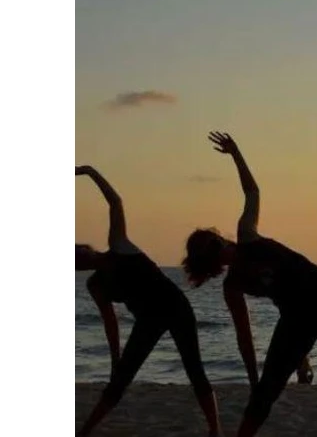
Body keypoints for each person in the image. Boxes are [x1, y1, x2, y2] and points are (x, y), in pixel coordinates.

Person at [182, 132, 317, 437]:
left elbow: (252, 192)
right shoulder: (233, 285)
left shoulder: (247, 235)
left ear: (221, 237)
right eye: (211, 250)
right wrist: (253, 381)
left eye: (215, 240)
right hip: (298, 318)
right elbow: (245, 338)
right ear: (212, 263)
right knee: (263, 396)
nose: (219, 245)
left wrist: (236, 153)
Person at [76, 166, 222, 437]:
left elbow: (115, 201)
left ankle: (216, 431)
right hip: (149, 320)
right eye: (76, 258)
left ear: (87, 246)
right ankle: (85, 432)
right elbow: (110, 323)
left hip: (175, 307)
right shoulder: (95, 284)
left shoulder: (119, 244)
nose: (81, 254)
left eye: (78, 249)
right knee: (120, 380)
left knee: (195, 369)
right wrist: (115, 359)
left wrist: (89, 172)